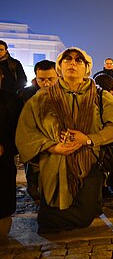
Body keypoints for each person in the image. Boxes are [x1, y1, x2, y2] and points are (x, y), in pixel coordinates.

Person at [16, 48, 113, 233]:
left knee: (84, 218)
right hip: (53, 170)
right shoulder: (42, 98)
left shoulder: (100, 96)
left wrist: (88, 139)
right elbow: (26, 132)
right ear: (60, 66)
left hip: (88, 168)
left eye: (79, 60)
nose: (72, 63)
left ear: (87, 68)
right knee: (52, 221)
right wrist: (53, 147)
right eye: (67, 59)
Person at [16, 60, 59, 201]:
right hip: (34, 142)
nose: (46, 83)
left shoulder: (64, 93)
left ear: (58, 76)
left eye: (50, 79)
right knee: (34, 175)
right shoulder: (24, 95)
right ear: (35, 77)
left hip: (56, 143)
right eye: (42, 79)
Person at [0, 76, 23, 236]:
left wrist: (6, 147)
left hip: (3, 161)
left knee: (3, 206)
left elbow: (20, 131)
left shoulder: (12, 100)